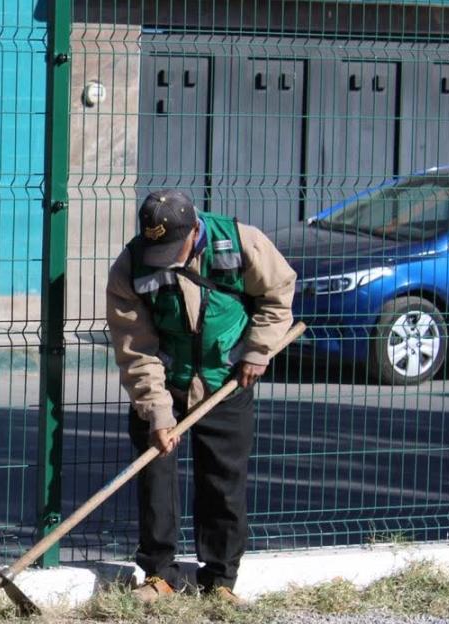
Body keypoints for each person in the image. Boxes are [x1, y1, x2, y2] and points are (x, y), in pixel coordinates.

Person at [105, 190, 296, 604]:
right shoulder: (132, 265)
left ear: (195, 229)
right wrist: (157, 411)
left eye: (174, 248)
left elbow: (278, 294)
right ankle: (160, 575)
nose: (167, 259)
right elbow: (135, 346)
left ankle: (220, 580)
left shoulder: (241, 242)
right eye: (159, 250)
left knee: (224, 483)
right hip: (164, 380)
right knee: (154, 475)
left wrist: (258, 351)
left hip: (226, 379)